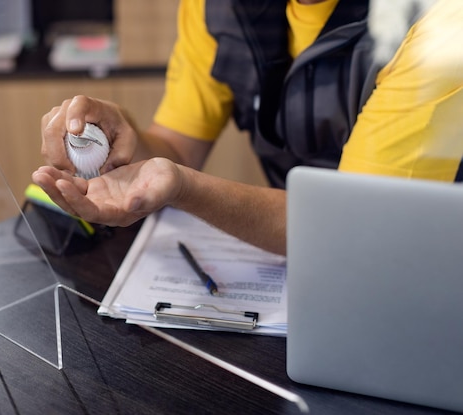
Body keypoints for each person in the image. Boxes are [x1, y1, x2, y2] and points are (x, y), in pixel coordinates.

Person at [33, 0, 463, 256]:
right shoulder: (217, 8)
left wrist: (184, 187)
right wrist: (117, 137)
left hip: (419, 265)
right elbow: (175, 148)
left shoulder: (440, 26)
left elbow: (352, 228)